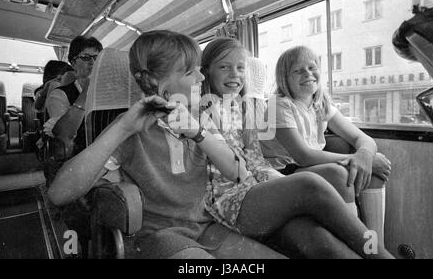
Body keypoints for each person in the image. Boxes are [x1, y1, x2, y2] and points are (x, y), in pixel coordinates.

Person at [48, 30, 286, 259]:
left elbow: (240, 173)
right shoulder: (130, 126)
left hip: (209, 228)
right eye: (190, 72)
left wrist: (198, 133)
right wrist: (123, 129)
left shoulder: (200, 118)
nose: (202, 77)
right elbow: (59, 194)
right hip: (158, 238)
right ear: (154, 80)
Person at [199, 38, 394, 259]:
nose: (235, 74)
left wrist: (365, 154)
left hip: (257, 187)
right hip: (229, 201)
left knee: (321, 241)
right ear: (205, 72)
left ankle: (373, 249)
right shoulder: (204, 110)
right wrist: (284, 183)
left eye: (240, 68)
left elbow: (255, 162)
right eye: (224, 67)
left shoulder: (245, 110)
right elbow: (233, 171)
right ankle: (381, 255)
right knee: (311, 183)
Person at [261, 46, 392, 247]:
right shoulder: (278, 105)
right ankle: (357, 247)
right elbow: (303, 155)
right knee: (340, 173)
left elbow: (362, 138)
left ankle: (376, 246)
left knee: (373, 171)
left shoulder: (320, 104)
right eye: (297, 71)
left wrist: (365, 155)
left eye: (312, 67)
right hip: (282, 171)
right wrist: (354, 160)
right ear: (284, 78)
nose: (307, 74)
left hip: (305, 166)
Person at [45, 36, 103, 162]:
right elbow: (64, 138)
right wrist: (87, 91)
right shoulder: (59, 95)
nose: (92, 62)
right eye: (85, 57)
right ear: (73, 62)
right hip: (77, 159)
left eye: (97, 58)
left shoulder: (108, 92)